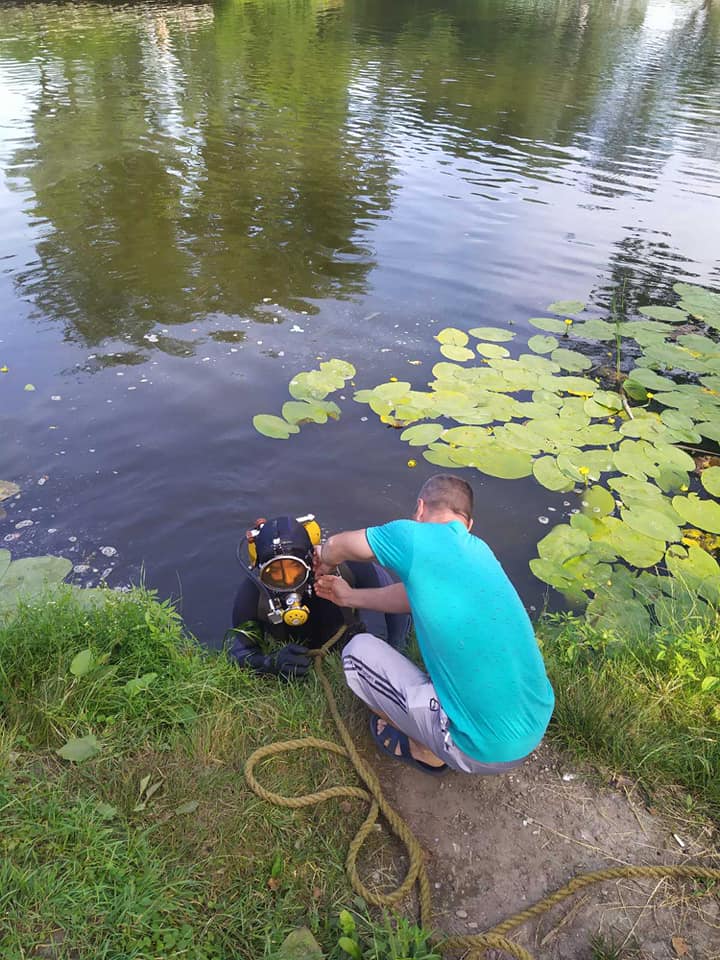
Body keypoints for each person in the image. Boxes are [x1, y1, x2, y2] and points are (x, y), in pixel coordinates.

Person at [313, 475, 555, 775]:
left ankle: (425, 750)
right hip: (535, 722)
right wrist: (351, 597)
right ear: (468, 525)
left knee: (355, 653)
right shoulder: (479, 551)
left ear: (419, 509)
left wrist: (323, 560)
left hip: (483, 751)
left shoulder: (411, 535)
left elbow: (339, 545)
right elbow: (413, 595)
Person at [227, 514, 409, 679]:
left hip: (350, 623)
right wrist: (270, 664)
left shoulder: (348, 567)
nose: (287, 583)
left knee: (389, 641)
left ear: (311, 559)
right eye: (274, 573)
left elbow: (387, 614)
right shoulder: (252, 595)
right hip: (300, 641)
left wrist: (366, 637)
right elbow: (240, 653)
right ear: (261, 572)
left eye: (294, 570)